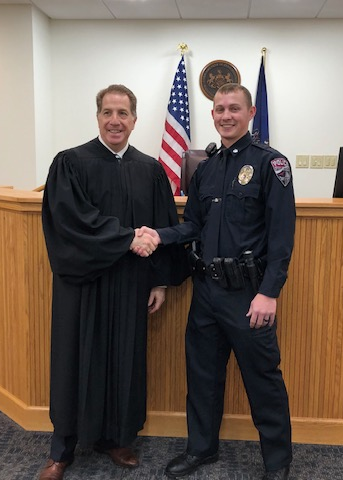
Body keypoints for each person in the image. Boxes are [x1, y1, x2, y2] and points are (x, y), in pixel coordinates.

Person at [137, 83, 296, 480]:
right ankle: (201, 449)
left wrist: (269, 293)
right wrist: (159, 235)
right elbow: (193, 225)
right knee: (203, 376)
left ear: (250, 113)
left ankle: (277, 462)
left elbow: (281, 237)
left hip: (248, 296)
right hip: (205, 292)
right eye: (220, 109)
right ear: (212, 115)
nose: (226, 115)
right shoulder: (205, 169)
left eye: (234, 109)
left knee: (262, 380)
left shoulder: (270, 164)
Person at [39, 84, 187, 480]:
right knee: (75, 359)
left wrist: (158, 282)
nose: (115, 120)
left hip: (130, 283)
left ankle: (117, 438)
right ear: (98, 117)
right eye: (108, 112)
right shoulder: (70, 163)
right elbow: (70, 220)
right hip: (84, 284)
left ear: (135, 120)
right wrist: (126, 238)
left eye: (123, 113)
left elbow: (162, 225)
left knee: (125, 359)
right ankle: (62, 448)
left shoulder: (149, 169)